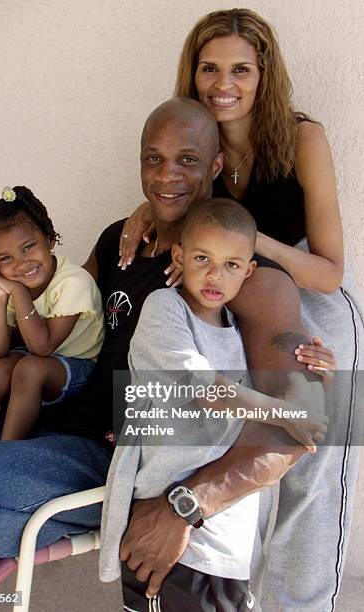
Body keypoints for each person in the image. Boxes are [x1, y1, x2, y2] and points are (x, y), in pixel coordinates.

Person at [0, 98, 331, 611]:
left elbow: (305, 421)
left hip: (110, 459)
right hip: (43, 423)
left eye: (187, 159)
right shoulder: (121, 241)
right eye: (152, 158)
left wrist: (186, 506)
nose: (166, 175)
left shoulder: (247, 278)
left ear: (216, 166)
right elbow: (49, 327)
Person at [119, 10, 364, 611]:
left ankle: (304, 604)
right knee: (231, 434)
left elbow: (329, 269)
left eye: (240, 70)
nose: (222, 82)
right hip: (233, 291)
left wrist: (252, 240)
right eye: (209, 68)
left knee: (315, 444)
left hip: (311, 293)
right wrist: (147, 212)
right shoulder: (195, 137)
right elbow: (176, 194)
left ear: (264, 75)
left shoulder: (302, 136)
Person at [101, 196, 329, 612]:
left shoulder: (237, 330)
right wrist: (281, 411)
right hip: (167, 530)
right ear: (179, 256)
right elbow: (199, 386)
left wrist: (318, 373)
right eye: (202, 257)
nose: (214, 274)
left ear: (249, 271)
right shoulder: (164, 309)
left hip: (225, 538)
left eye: (231, 265)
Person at [0, 185, 103, 444]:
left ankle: (7, 450)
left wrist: (17, 292)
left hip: (80, 369)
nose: (21, 264)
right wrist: (0, 297)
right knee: (0, 368)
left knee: (30, 368)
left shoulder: (73, 282)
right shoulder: (16, 287)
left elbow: (42, 347)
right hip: (39, 360)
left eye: (28, 247)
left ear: (49, 238)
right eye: (5, 258)